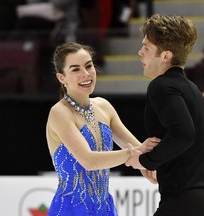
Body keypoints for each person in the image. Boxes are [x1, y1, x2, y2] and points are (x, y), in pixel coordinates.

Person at [125, 14, 204, 216]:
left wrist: (146, 161)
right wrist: (175, 166)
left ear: (165, 56)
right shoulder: (193, 91)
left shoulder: (161, 86)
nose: (140, 53)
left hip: (185, 204)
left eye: (146, 48)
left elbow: (183, 134)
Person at [46, 42, 159, 215]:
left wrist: (148, 166)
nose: (86, 74)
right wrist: (132, 154)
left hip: (104, 208)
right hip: (71, 210)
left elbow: (138, 150)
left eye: (89, 66)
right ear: (62, 78)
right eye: (75, 69)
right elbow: (89, 161)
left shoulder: (104, 107)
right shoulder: (60, 113)